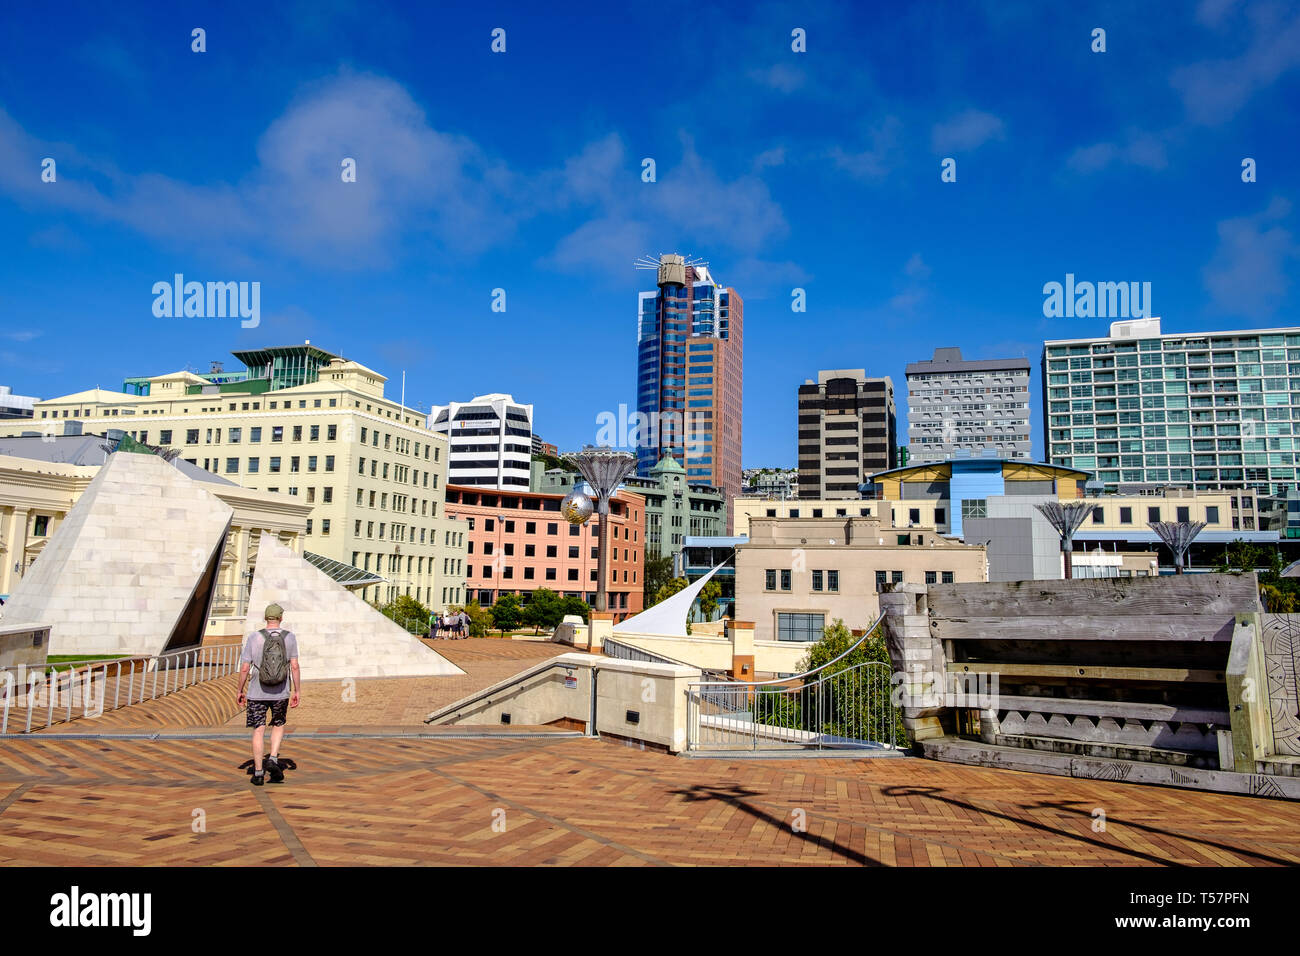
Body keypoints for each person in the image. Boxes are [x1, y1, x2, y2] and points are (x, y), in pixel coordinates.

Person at [236, 603, 301, 785]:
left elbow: (244, 668)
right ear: (281, 618)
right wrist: (297, 690)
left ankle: (258, 772)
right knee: (278, 724)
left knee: (258, 729)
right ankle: (272, 758)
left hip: (256, 692)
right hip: (281, 691)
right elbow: (294, 666)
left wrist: (240, 690)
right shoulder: (290, 638)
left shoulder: (254, 637)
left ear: (266, 618)